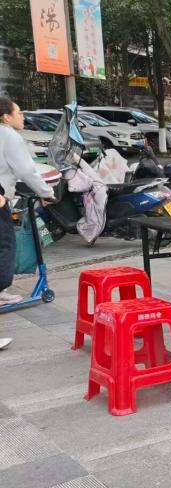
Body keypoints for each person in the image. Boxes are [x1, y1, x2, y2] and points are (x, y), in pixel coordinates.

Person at [1, 96, 56, 321]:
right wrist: (46, 192)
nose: (22, 116)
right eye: (19, 112)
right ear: (6, 117)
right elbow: (26, 170)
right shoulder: (9, 135)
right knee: (4, 245)